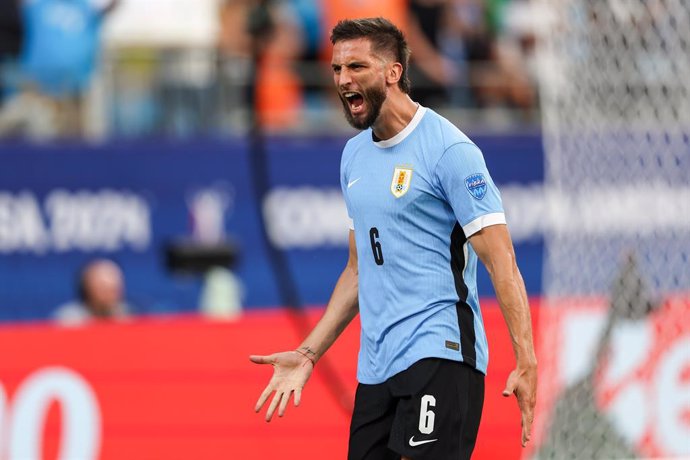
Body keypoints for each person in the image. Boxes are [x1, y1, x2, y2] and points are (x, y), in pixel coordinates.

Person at [250, 17, 536, 459]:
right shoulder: (354, 155)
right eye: (336, 70)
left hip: (442, 353)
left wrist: (526, 359)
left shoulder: (449, 151)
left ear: (392, 72)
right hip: (378, 368)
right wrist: (308, 354)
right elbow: (358, 269)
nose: (344, 80)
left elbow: (503, 263)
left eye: (356, 67)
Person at [54, 258, 131, 325]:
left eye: (114, 290)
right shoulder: (68, 321)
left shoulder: (128, 317)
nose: (109, 295)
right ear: (87, 287)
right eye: (103, 288)